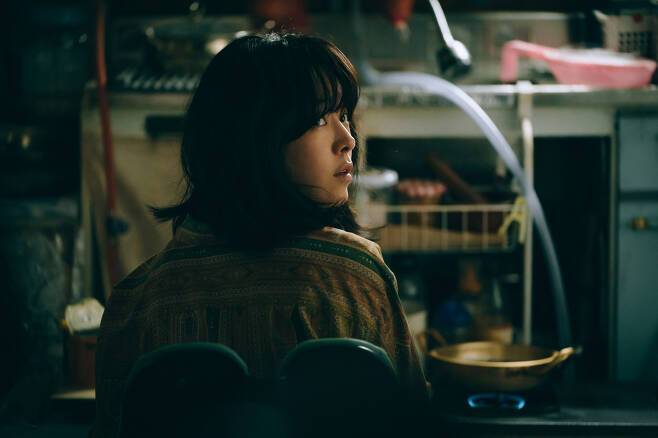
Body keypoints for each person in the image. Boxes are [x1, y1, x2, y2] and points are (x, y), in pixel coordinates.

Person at [93, 32, 427, 438]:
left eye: (344, 116)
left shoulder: (137, 302)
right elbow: (414, 422)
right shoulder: (356, 278)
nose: (348, 140)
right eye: (319, 120)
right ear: (253, 138)